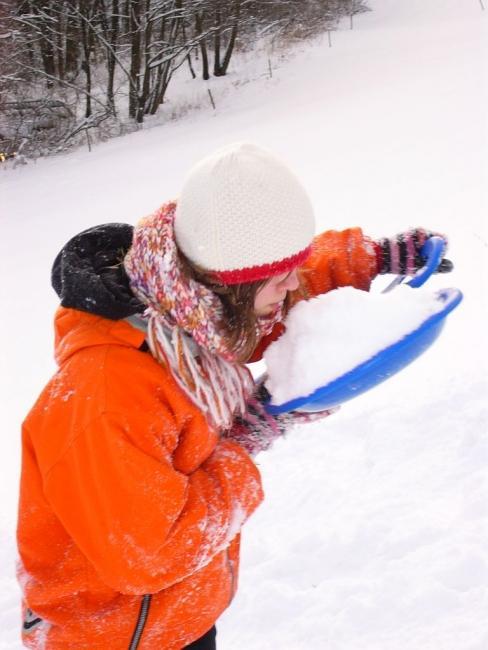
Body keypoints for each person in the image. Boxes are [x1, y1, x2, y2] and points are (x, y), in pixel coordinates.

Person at [16, 142, 452, 649]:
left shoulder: (189, 306)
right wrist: (241, 443)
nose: (292, 285)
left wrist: (371, 258)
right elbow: (149, 554)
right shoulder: (106, 397)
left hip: (180, 611)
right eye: (277, 275)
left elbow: (284, 285)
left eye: (295, 264)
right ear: (227, 284)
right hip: (116, 634)